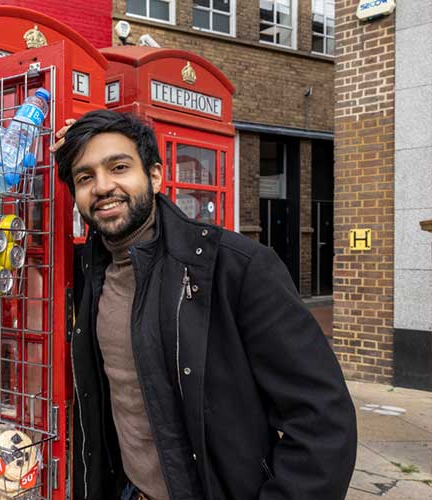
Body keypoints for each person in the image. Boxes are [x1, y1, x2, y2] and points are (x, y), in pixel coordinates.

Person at [51, 110, 357, 500]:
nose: (103, 186)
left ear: (156, 176)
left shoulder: (236, 268)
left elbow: (324, 422)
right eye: (85, 177)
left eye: (119, 167)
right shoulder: (88, 274)